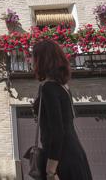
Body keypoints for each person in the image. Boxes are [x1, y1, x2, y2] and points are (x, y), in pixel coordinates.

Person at [32, 40, 92, 180]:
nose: (31, 61)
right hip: (74, 155)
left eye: (34, 57)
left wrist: (51, 170)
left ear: (42, 60)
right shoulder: (63, 87)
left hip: (61, 161)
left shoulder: (48, 88)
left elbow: (57, 131)